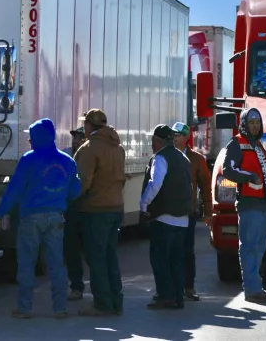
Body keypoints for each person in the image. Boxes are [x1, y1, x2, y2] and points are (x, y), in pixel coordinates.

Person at [0, 118, 81, 319]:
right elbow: (75, 190)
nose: (30, 142)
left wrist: (0, 213)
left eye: (31, 138)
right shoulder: (67, 161)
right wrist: (59, 198)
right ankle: (60, 307)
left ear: (36, 138)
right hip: (56, 218)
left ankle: (25, 308)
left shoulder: (28, 159)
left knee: (26, 262)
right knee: (56, 263)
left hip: (31, 218)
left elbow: (14, 190)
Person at [73, 109, 127, 316]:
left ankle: (102, 304)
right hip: (115, 207)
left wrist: (72, 200)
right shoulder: (117, 148)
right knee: (110, 256)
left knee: (96, 258)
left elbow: (83, 182)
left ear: (89, 126)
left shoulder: (89, 149)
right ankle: (115, 301)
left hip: (96, 210)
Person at [221, 108, 266, 303]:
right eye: (251, 122)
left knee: (260, 247)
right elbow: (228, 169)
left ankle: (256, 286)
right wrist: (249, 177)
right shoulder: (237, 143)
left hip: (264, 203)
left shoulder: (258, 145)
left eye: (257, 122)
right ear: (244, 123)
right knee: (249, 247)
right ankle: (251, 289)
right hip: (249, 203)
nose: (255, 126)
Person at [140, 124, 193, 309]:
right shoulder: (183, 158)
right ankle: (178, 297)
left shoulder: (161, 157)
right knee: (177, 261)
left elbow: (155, 183)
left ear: (158, 141)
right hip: (182, 220)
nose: (151, 144)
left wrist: (144, 204)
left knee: (160, 259)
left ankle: (165, 296)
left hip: (163, 218)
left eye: (152, 140)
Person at [172, 121, 212, 301]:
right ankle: (172, 287)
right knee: (171, 250)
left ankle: (188, 286)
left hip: (188, 211)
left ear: (187, 137)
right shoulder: (166, 156)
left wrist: (208, 211)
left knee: (187, 250)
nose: (174, 138)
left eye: (178, 135)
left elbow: (205, 186)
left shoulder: (197, 159)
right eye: (173, 134)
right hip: (169, 211)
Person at [62, 126, 88, 301]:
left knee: (92, 252)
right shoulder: (65, 155)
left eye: (80, 137)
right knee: (70, 250)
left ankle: (100, 289)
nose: (75, 140)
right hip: (70, 208)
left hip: (88, 207)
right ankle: (76, 286)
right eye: (74, 137)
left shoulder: (90, 156)